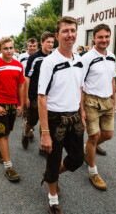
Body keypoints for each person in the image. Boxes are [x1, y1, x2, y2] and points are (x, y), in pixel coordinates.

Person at [38, 16, 84, 214]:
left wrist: (82, 112)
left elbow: (79, 88)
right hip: (55, 119)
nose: (70, 35)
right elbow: (42, 98)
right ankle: (53, 199)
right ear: (57, 36)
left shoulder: (80, 60)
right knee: (53, 158)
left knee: (77, 159)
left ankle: (52, 175)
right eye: (65, 31)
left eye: (72, 30)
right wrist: (45, 132)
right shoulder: (50, 62)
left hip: (74, 116)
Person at [81, 23, 116, 191]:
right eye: (100, 37)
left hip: (107, 100)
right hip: (91, 101)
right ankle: (92, 171)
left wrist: (114, 100)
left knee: (108, 135)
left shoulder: (112, 56)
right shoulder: (86, 58)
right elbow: (80, 84)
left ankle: (88, 150)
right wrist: (80, 109)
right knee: (94, 137)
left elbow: (112, 80)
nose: (104, 40)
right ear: (93, 38)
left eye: (106, 36)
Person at [0, 37, 24, 181]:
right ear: (0, 50)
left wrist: (21, 104)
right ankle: (8, 167)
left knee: (6, 132)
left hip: (13, 104)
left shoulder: (19, 65)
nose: (8, 51)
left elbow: (20, 85)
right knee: (4, 135)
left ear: (14, 49)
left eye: (11, 48)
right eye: (5, 48)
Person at [22, 32, 54, 150]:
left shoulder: (54, 57)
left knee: (46, 121)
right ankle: (25, 133)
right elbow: (27, 77)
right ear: (41, 42)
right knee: (32, 121)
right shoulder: (34, 58)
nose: (50, 44)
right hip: (34, 94)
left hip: (49, 94)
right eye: (48, 42)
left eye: (52, 42)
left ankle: (42, 147)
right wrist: (26, 97)